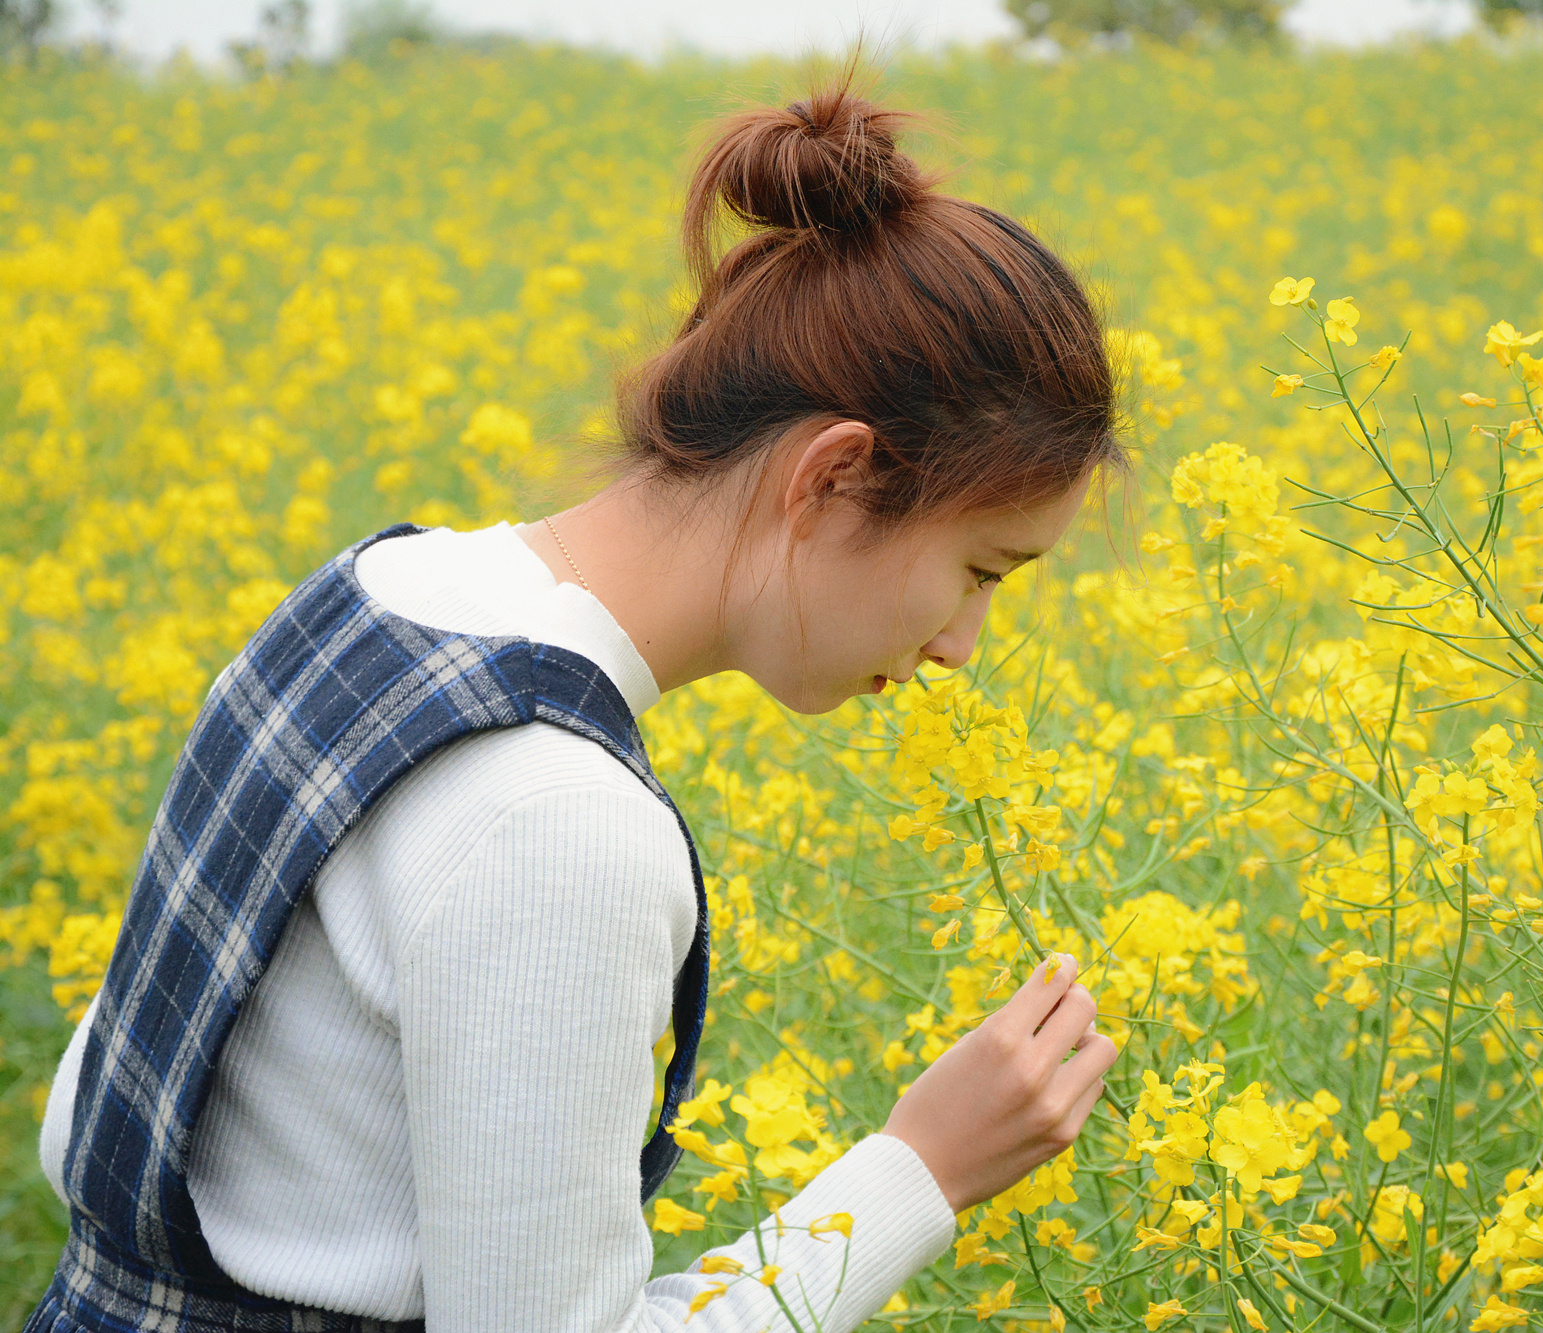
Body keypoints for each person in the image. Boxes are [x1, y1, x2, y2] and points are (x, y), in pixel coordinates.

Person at [29, 70, 1124, 1333]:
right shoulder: (554, 818)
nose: (961, 649)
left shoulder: (374, 590)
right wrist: (916, 1172)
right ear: (831, 478)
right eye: (978, 571)